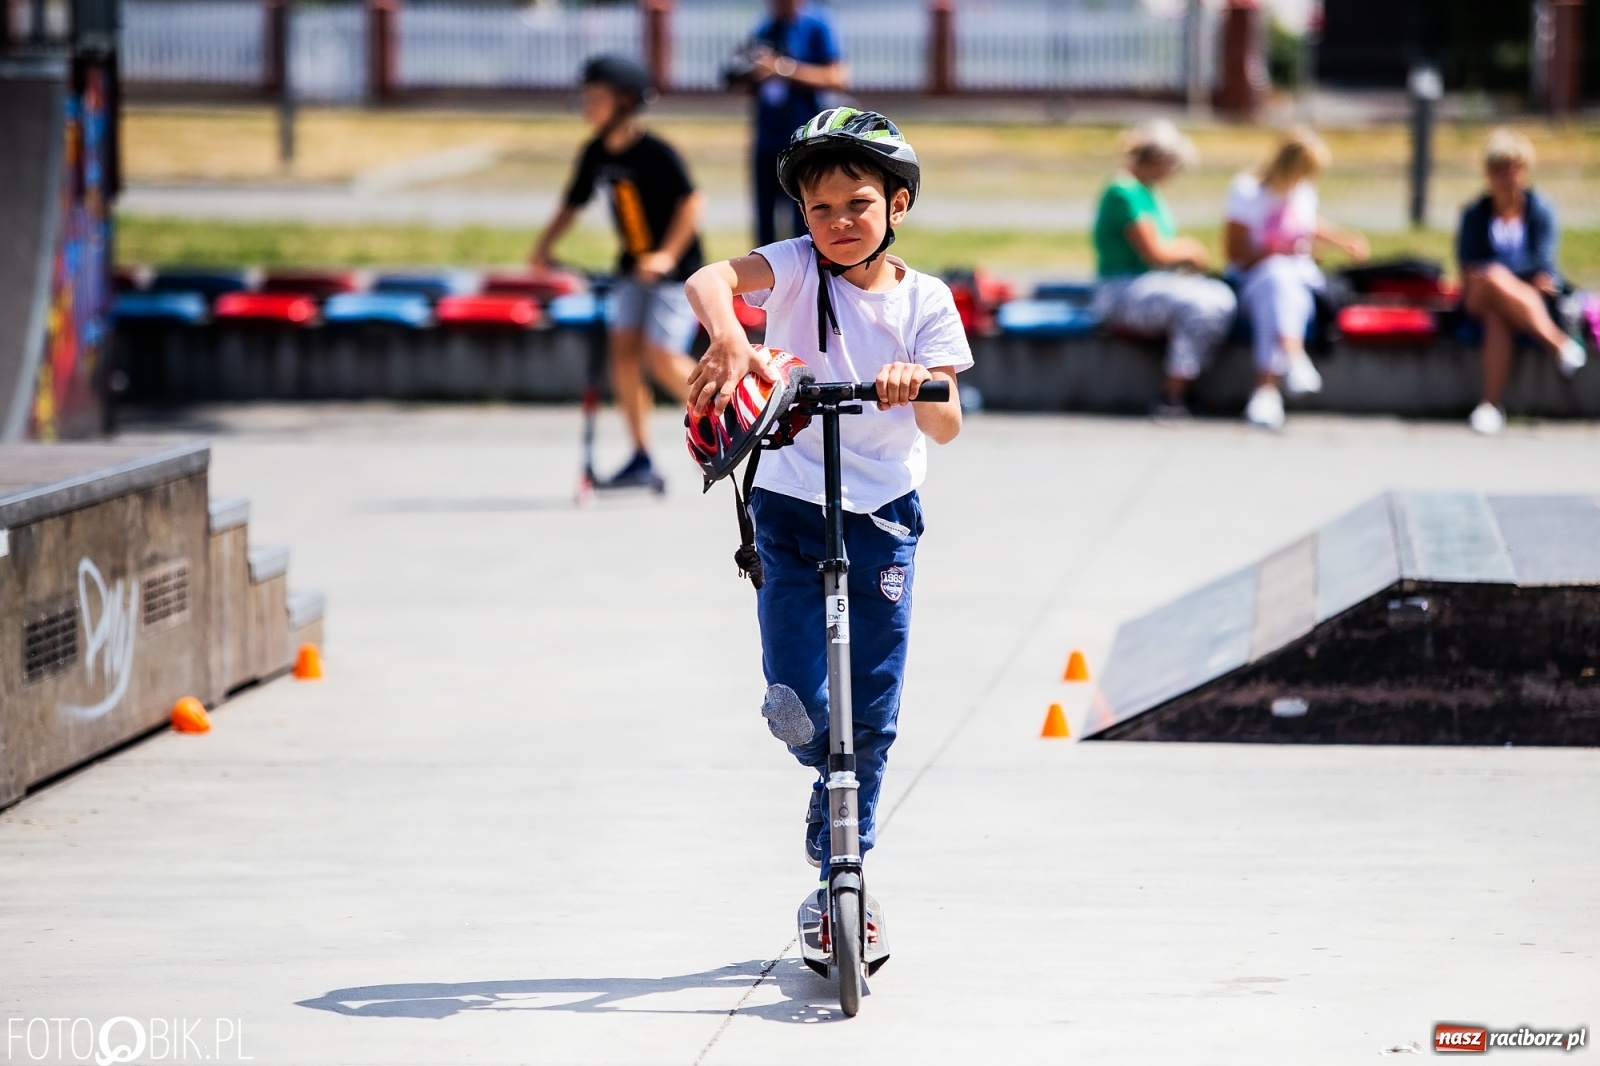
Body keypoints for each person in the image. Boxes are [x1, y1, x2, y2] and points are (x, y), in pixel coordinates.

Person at [682, 109, 968, 885]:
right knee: (796, 706)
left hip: (882, 515)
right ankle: (825, 767)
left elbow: (946, 426)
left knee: (872, 709)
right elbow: (708, 278)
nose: (839, 222)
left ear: (897, 206)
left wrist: (913, 387)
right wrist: (730, 337)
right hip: (788, 504)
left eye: (858, 204)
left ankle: (847, 865)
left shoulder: (926, 302)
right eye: (821, 208)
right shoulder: (797, 266)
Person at [530, 55, 704, 488]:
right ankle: (642, 456)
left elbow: (691, 203)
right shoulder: (595, 153)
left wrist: (665, 255)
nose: (586, 107)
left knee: (661, 356)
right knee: (623, 356)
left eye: (596, 98)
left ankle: (736, 418)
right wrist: (543, 248)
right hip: (630, 268)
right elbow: (572, 204)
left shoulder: (655, 152)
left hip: (674, 271)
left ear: (626, 102)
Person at [1091, 120, 1237, 420]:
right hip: (1121, 290)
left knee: (1220, 297)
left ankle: (1185, 383)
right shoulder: (1124, 192)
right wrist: (1191, 250)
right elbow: (1156, 252)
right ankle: (1172, 396)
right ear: (1158, 160)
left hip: (1149, 284)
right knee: (1200, 305)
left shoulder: (1148, 190)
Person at [1225, 126, 1368, 430]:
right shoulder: (1247, 190)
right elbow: (1234, 251)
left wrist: (1342, 240)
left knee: (1284, 287)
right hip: (1257, 278)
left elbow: (1307, 224)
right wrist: (1273, 250)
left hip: (1298, 279)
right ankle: (1293, 356)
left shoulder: (1302, 190)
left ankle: (1267, 390)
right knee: (1277, 279)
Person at [1456, 128, 1587, 436]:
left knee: (1497, 312)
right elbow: (1469, 266)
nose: (1507, 177)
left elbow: (1544, 261)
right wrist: (1508, 274)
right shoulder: (1475, 214)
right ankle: (1558, 344)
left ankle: (1489, 406)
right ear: (1488, 173)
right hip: (1483, 294)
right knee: (1493, 280)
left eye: (1514, 168)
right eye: (1499, 169)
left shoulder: (1540, 210)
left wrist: (1499, 273)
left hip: (1515, 304)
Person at [740, 0, 847, 247]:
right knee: (764, 214)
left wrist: (782, 69)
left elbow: (837, 76)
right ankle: (766, 278)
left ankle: (810, 273)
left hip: (803, 137)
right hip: (767, 134)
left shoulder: (817, 25)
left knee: (806, 210)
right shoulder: (764, 28)